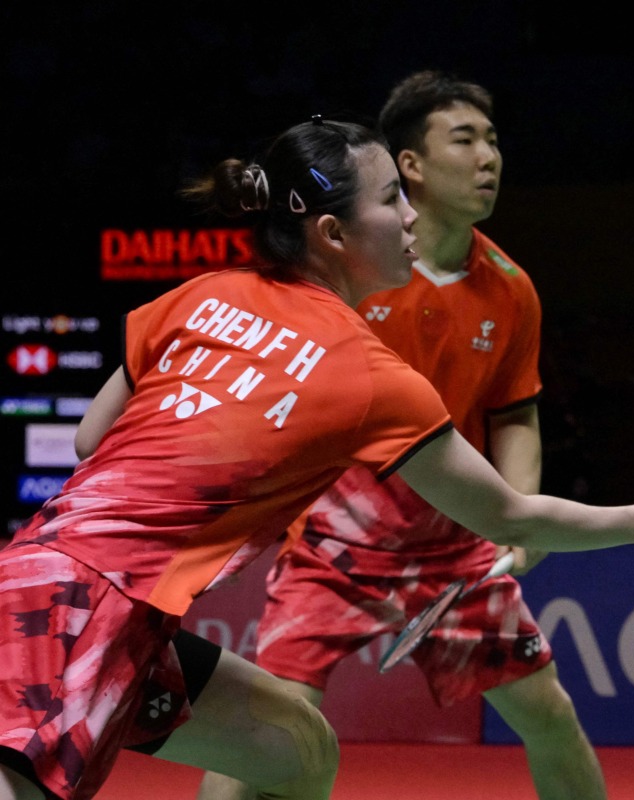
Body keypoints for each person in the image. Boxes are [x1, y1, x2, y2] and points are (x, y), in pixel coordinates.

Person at [0, 115, 634, 800]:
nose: (409, 217)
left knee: (297, 748)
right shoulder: (369, 376)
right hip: (84, 610)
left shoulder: (201, 295)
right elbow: (510, 515)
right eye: (390, 199)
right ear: (334, 232)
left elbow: (92, 439)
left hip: (56, 579)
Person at [195, 70, 608, 800]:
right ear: (409, 164)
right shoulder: (355, 272)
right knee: (261, 740)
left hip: (453, 553)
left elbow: (515, 413)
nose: (489, 157)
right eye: (465, 138)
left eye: (493, 140)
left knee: (549, 717)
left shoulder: (509, 287)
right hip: (333, 545)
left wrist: (522, 512)